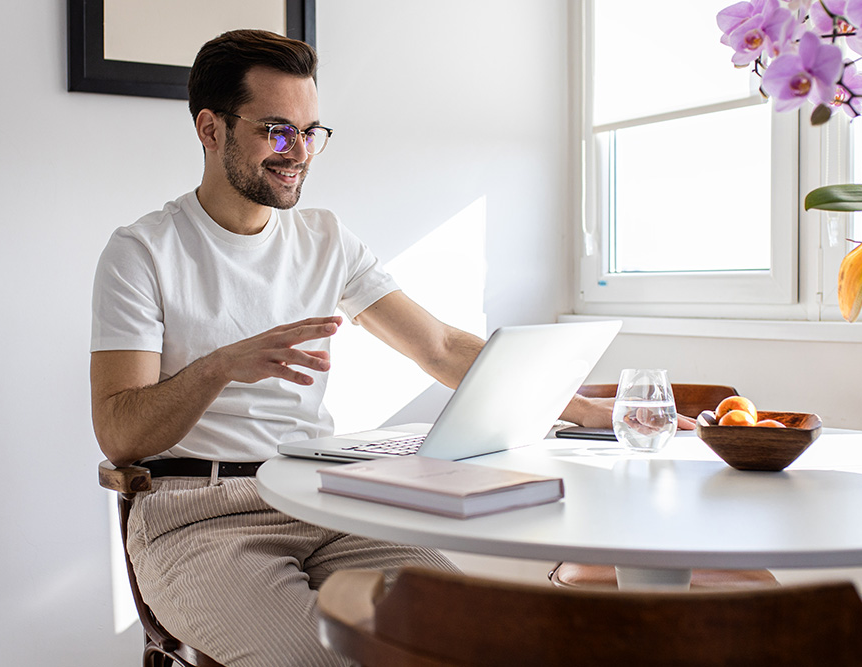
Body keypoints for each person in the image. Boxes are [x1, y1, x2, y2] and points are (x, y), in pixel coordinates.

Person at [90, 29, 619, 667]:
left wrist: (574, 405)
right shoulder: (142, 251)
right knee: (324, 660)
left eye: (312, 132)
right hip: (196, 517)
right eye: (277, 130)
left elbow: (440, 345)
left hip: (318, 499)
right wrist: (221, 367)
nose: (300, 153)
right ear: (211, 129)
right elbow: (119, 435)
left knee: (471, 636)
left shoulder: (324, 237)